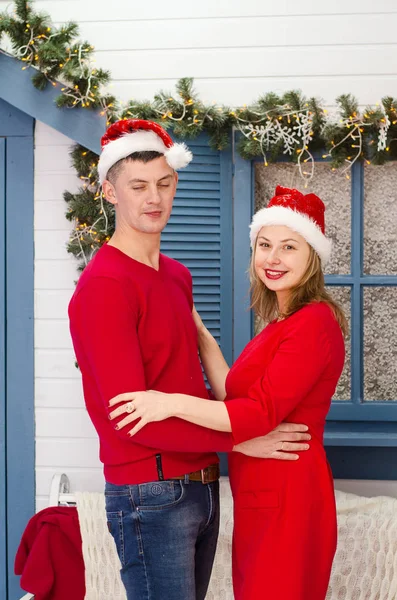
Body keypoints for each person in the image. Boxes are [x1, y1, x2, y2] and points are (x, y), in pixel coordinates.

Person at [68, 121, 311, 600]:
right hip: (150, 493)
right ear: (110, 192)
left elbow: (185, 382)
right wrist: (241, 441)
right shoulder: (104, 287)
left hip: (200, 486)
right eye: (137, 187)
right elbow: (130, 420)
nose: (153, 197)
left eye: (164, 183)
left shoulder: (176, 275)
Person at [108, 185, 347, 600]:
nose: (272, 258)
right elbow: (232, 390)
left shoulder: (313, 323)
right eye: (264, 245)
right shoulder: (281, 322)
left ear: (313, 258)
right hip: (262, 495)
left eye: (289, 247)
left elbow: (255, 414)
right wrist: (198, 331)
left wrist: (168, 403)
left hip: (289, 494)